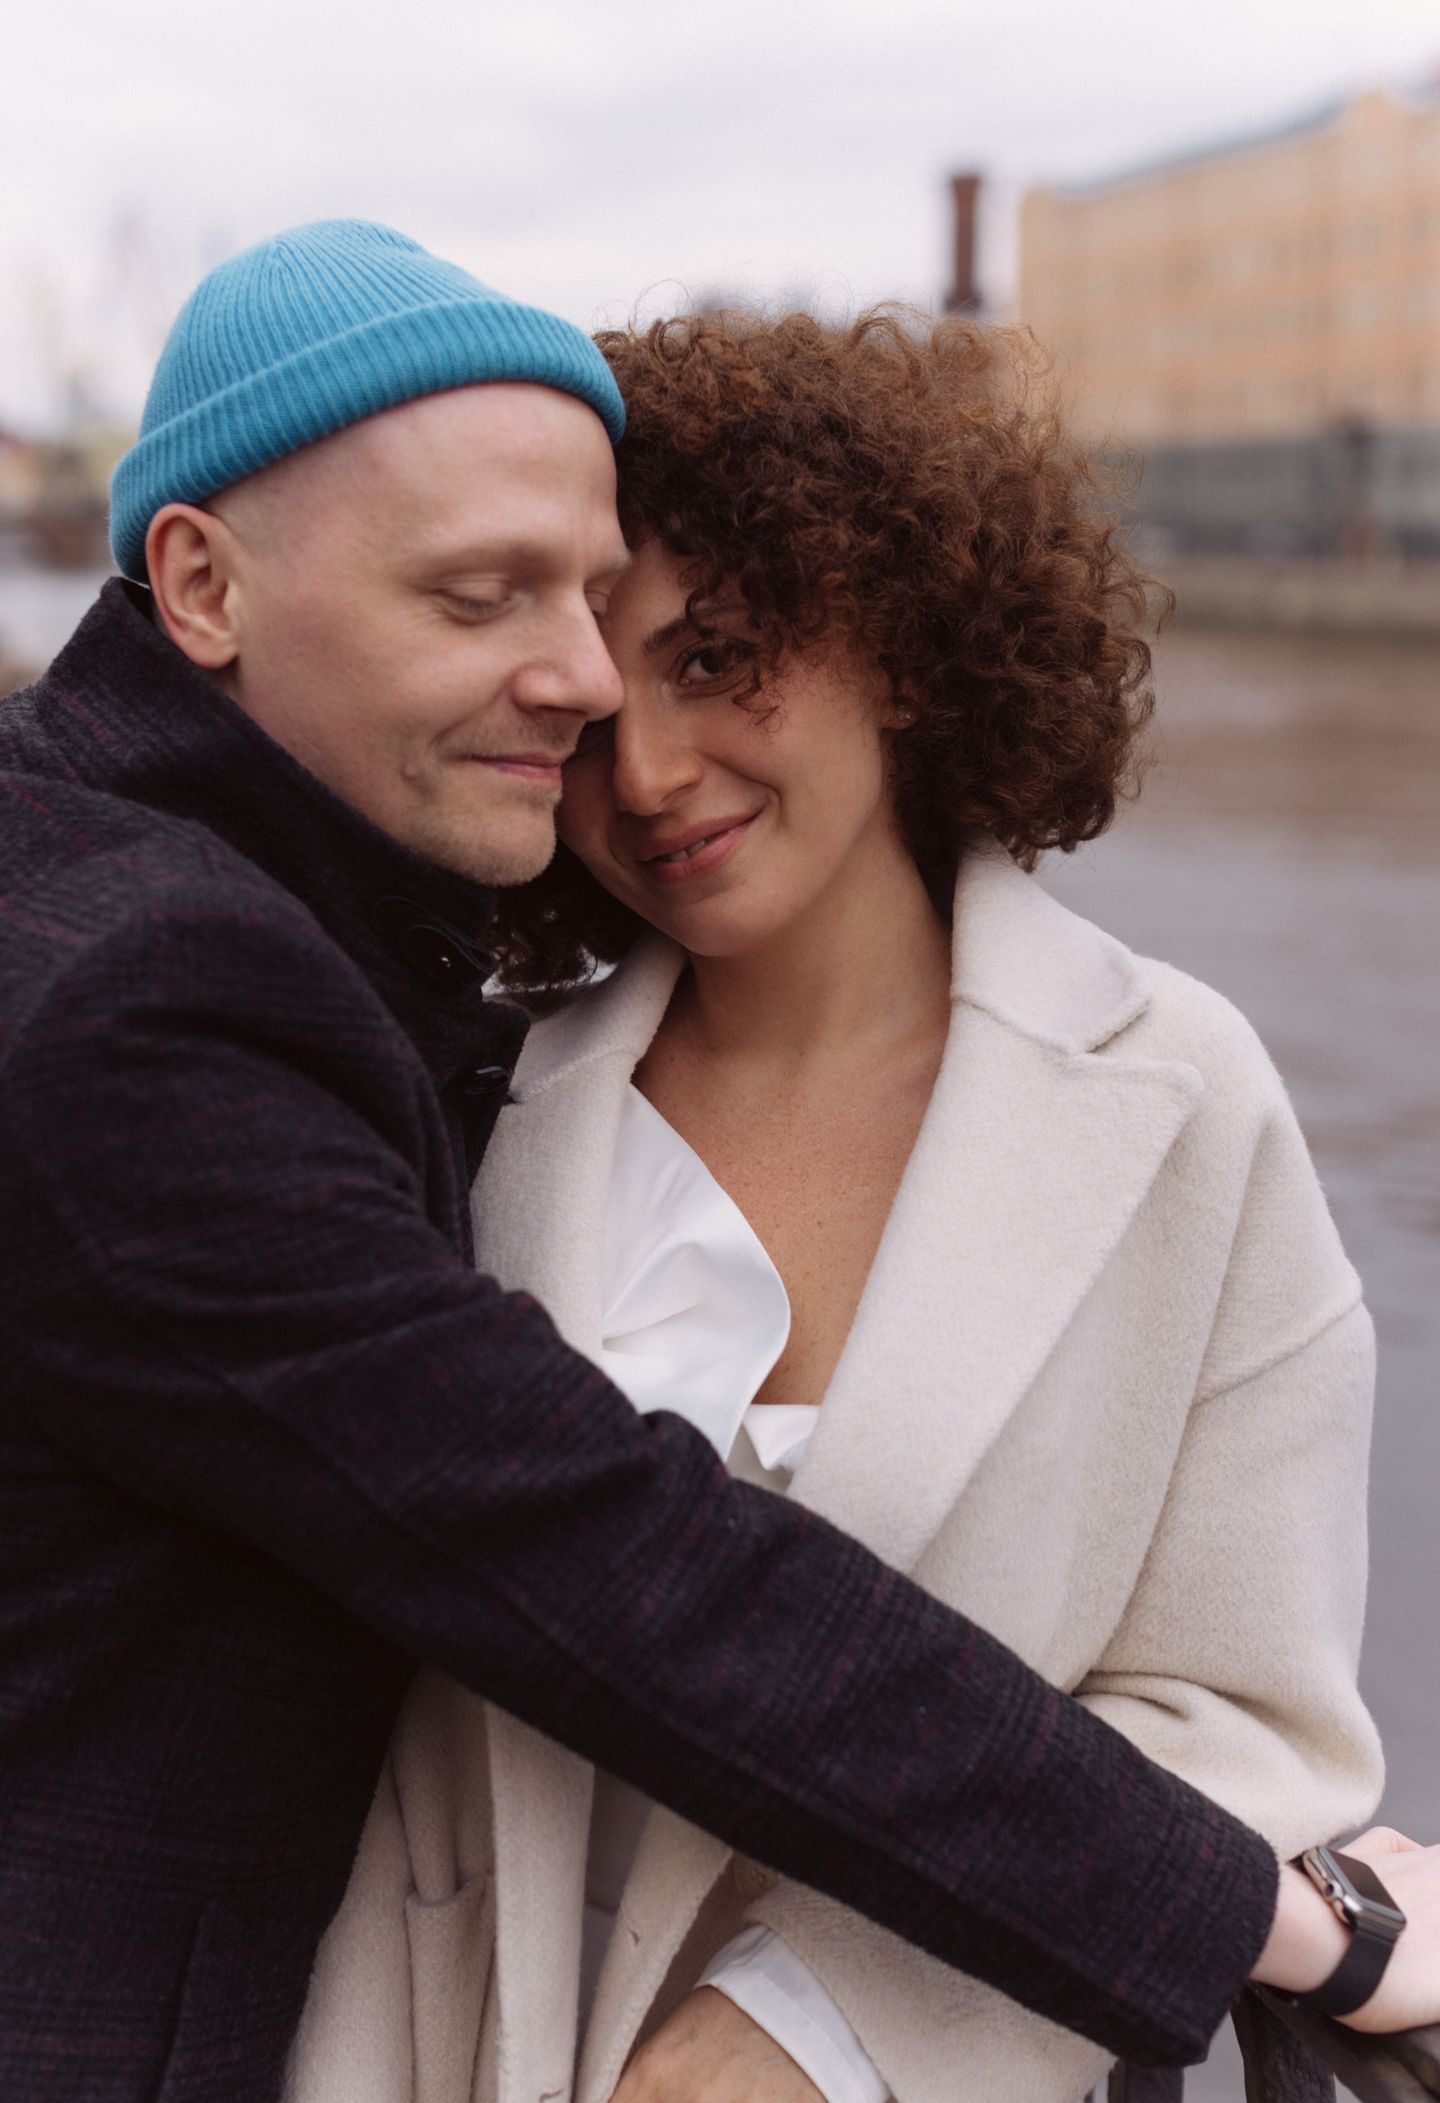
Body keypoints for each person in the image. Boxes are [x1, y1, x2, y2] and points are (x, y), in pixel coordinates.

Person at [0, 223, 1433, 2103]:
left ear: (903, 636)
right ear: (200, 585)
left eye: (710, 654)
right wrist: (1320, 1936)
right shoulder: (342, 1038)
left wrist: (812, 2031)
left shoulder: (1177, 1097)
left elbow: (1245, 1709)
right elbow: (610, 1565)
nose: (631, 745)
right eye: (491, 607)